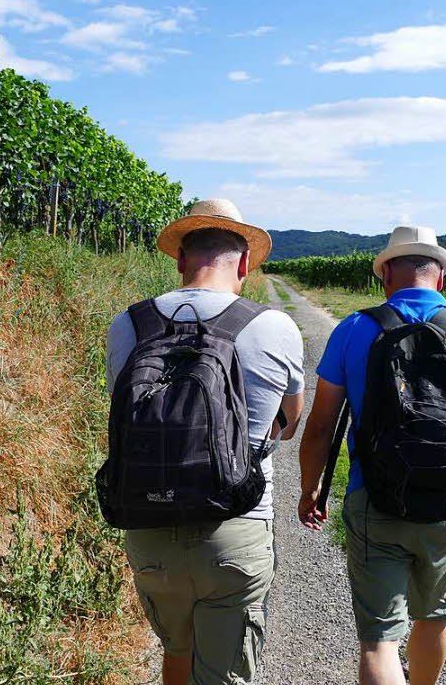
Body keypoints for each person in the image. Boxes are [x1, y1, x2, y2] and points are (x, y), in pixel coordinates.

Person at [297, 226, 446, 685]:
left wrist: (310, 488)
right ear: (440, 280)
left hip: (373, 498)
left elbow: (320, 425)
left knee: (380, 639)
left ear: (385, 278)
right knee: (434, 618)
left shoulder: (354, 330)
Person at [104, 198, 305, 685]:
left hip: (147, 526)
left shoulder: (128, 324)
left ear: (180, 260)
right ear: (242, 263)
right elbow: (289, 423)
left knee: (176, 654)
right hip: (235, 527)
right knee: (223, 676)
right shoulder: (273, 326)